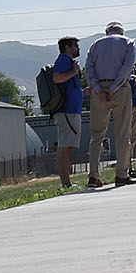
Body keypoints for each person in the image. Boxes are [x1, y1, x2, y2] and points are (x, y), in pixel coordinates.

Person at [81, 22, 136, 186]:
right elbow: (127, 68)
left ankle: (93, 175)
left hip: (98, 90)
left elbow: (88, 69)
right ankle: (121, 174)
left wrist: (99, 89)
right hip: (120, 88)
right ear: (121, 31)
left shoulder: (95, 45)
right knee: (123, 133)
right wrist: (114, 87)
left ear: (106, 32)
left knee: (97, 135)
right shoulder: (128, 43)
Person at [46, 35, 84, 189]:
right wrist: (74, 72)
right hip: (67, 111)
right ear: (67, 48)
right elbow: (57, 78)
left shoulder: (68, 62)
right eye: (75, 46)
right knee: (66, 148)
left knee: (66, 147)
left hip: (71, 110)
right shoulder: (64, 60)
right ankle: (66, 183)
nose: (78, 49)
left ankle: (66, 182)